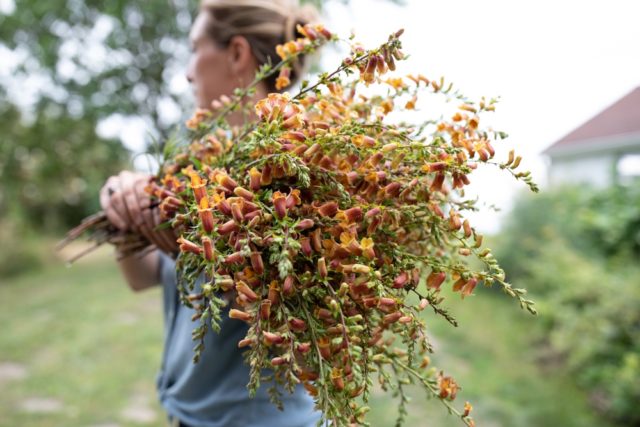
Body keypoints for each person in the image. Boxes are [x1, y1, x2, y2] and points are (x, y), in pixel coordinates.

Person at [99, 1, 322, 426]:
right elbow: (142, 276)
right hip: (189, 413)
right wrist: (120, 205)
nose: (186, 71)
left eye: (194, 47)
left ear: (237, 53)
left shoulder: (306, 169)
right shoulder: (192, 168)